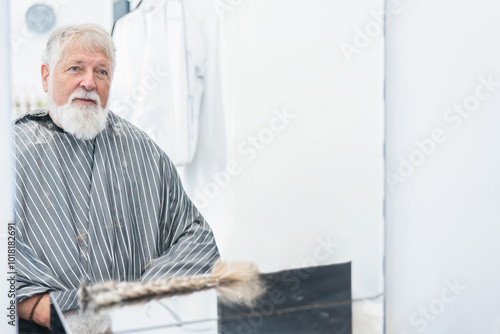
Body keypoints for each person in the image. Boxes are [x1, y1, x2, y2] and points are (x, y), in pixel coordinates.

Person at [14, 23, 219, 330]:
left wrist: (140, 300)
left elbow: (197, 237)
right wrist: (56, 312)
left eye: (102, 72)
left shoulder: (141, 150)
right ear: (46, 75)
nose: (89, 82)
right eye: (75, 68)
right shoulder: (12, 153)